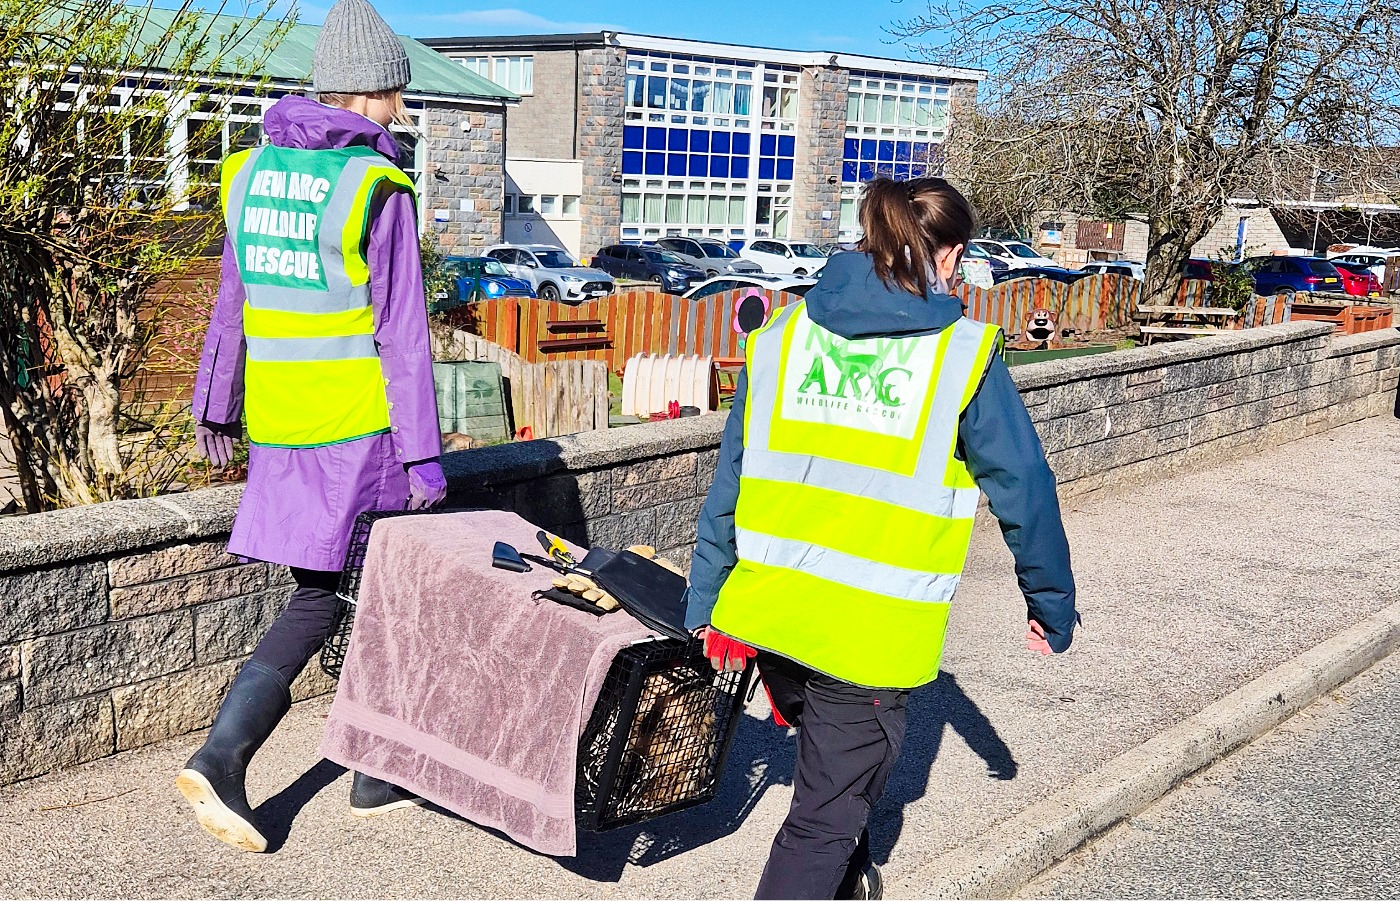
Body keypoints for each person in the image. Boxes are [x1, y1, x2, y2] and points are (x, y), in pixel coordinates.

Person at [686, 177, 1080, 899]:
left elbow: (730, 479)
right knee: (821, 822)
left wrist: (705, 595)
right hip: (865, 638)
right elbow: (1024, 483)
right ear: (950, 253)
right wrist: (1051, 602)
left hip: (770, 617)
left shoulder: (779, 336)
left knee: (836, 789)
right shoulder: (960, 354)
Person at [177, 0, 446, 853]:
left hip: (283, 424)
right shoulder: (378, 184)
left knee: (345, 582)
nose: (401, 110)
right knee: (343, 588)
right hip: (361, 427)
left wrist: (215, 400)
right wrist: (427, 456)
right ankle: (224, 756)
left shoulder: (247, 173)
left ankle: (373, 766)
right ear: (370, 90)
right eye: (396, 93)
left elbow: (233, 304)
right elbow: (401, 333)